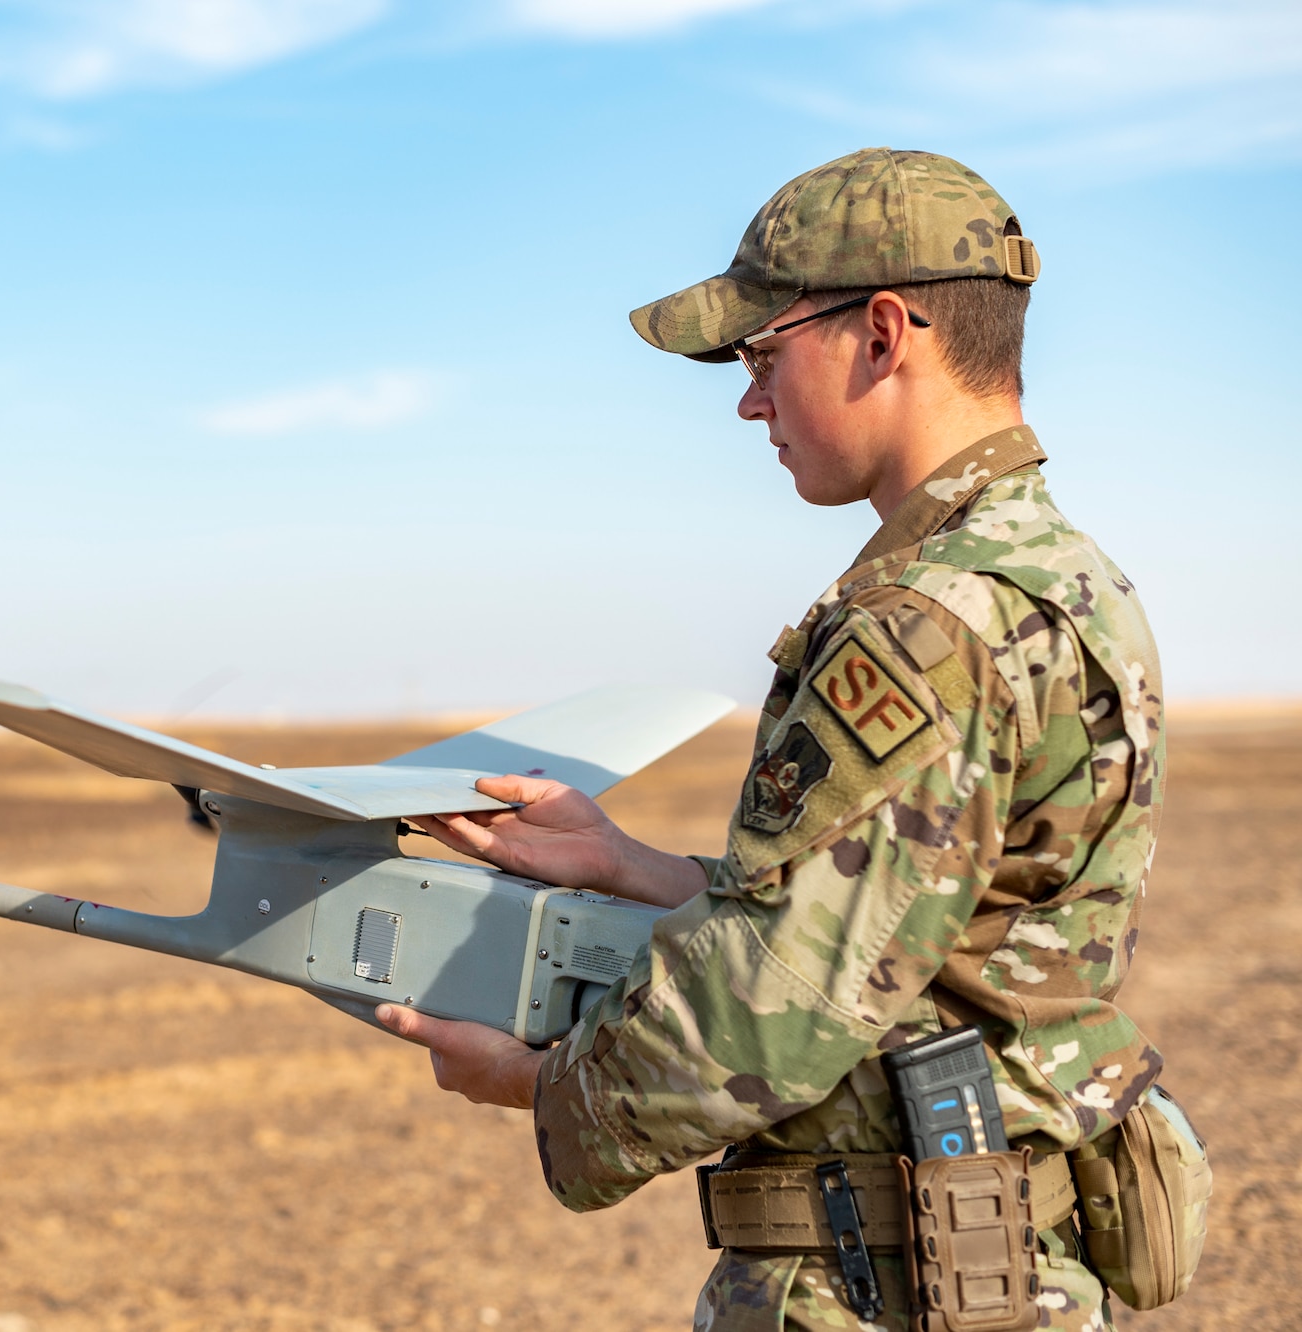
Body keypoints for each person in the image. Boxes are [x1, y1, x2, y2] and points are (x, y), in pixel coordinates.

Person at [376, 147, 1166, 1330]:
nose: (747, 401)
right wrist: (627, 868)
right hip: (987, 1267)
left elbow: (771, 1007)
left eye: (760, 354)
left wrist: (542, 1089)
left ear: (882, 334)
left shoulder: (919, 623)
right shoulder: (1060, 577)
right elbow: (921, 941)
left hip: (883, 1287)